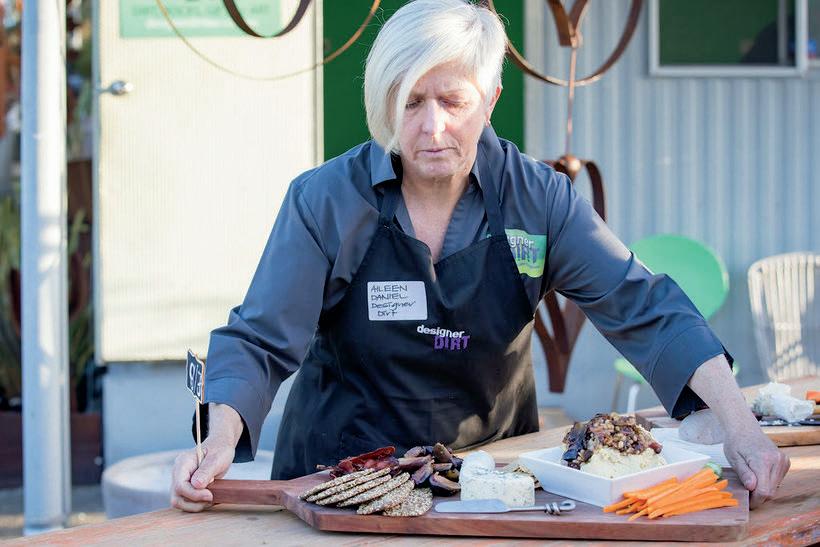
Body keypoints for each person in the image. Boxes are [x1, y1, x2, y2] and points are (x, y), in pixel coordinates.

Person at [171, 0, 788, 513]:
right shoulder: (326, 200)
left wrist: (741, 426)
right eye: (411, 102)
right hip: (339, 484)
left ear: (490, 98)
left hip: (490, 481)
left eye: (453, 102)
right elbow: (260, 338)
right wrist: (218, 439)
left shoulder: (538, 199)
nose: (432, 127)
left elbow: (643, 305)